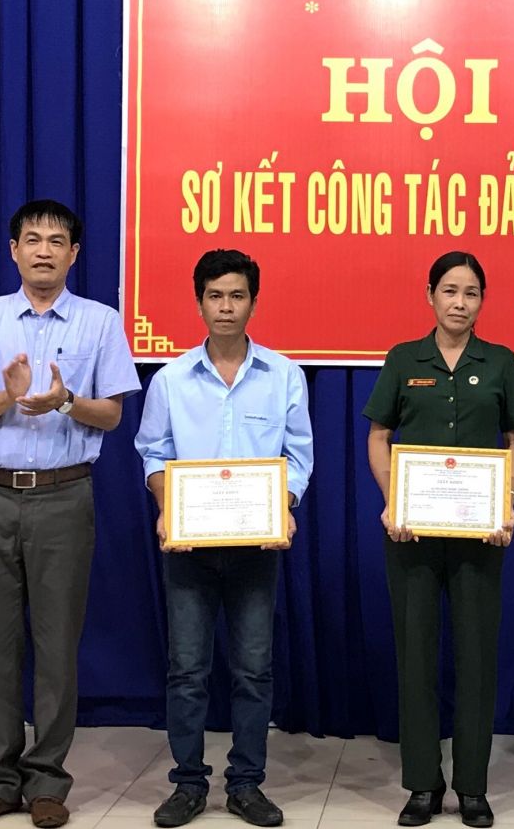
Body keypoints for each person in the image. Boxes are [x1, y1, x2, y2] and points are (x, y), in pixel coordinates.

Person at [0, 200, 141, 828]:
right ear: (14, 250)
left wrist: (65, 401)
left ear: (74, 254)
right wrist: (9, 396)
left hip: (63, 497)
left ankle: (48, 780)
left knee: (57, 645)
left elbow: (112, 415)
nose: (43, 250)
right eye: (32, 239)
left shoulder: (100, 322)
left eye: (56, 241)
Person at [134, 249, 314, 829]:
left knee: (253, 670)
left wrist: (284, 507)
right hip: (189, 547)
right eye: (215, 296)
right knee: (187, 670)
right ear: (199, 303)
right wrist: (168, 508)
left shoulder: (283, 375)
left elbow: (297, 458)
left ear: (253, 303)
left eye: (237, 296)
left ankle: (246, 784)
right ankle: (188, 784)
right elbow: (154, 453)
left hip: (257, 548)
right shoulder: (170, 379)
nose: (226, 307)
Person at [364, 251, 514, 829]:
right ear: (430, 295)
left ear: (482, 300)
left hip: (480, 534)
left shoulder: (500, 361)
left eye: (471, 293)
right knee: (415, 656)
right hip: (411, 532)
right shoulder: (403, 358)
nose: (460, 303)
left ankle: (473, 787)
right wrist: (393, 499)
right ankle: (422, 783)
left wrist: (505, 501)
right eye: (450, 291)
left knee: (477, 658)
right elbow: (380, 435)